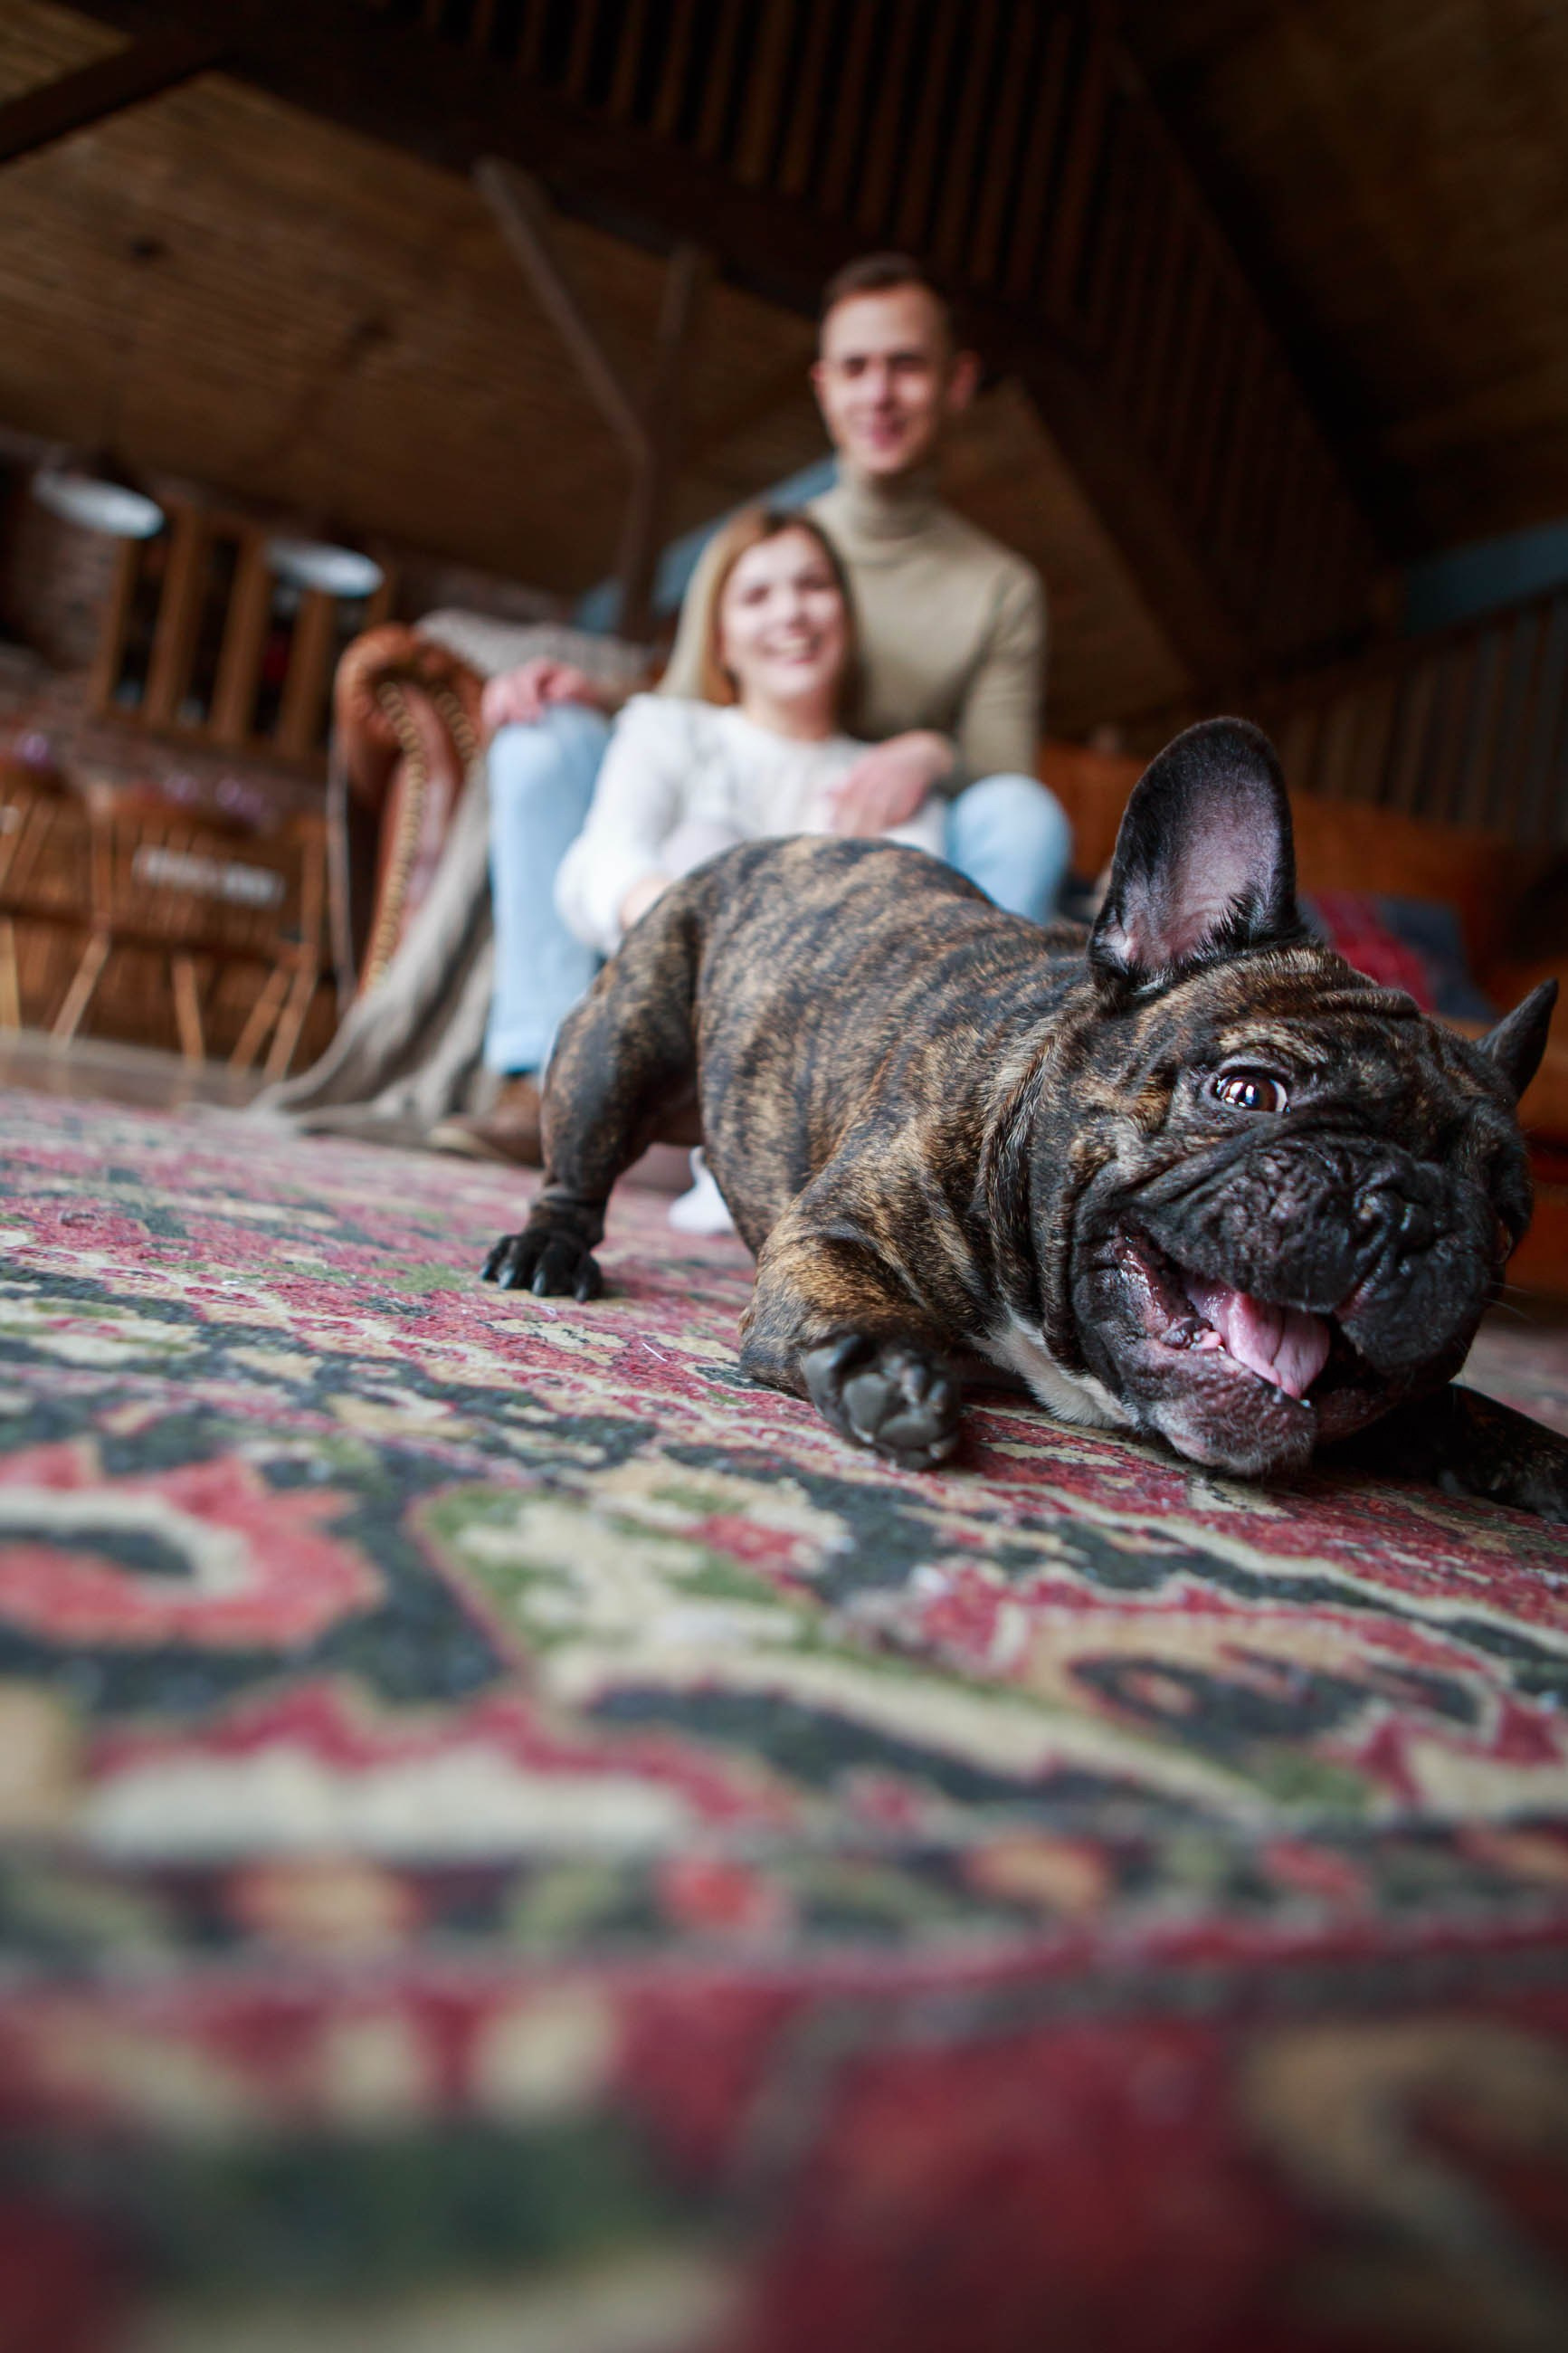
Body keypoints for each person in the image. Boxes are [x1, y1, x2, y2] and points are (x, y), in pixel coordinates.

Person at [440, 252, 1069, 1165]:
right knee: (541, 744)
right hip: (733, 815)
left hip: (874, 820)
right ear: (823, 386)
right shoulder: (770, 540)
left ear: (956, 380)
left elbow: (999, 766)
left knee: (1024, 811)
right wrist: (602, 694)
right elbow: (703, 701)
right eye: (855, 367)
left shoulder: (998, 586)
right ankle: (536, 1071)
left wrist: (926, 750)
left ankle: (954, 1107)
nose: (878, 393)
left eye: (905, 365)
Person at [553, 504, 943, 964]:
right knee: (701, 845)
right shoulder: (667, 728)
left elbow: (904, 932)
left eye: (813, 585)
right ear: (720, 641)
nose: (791, 612)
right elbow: (602, 860)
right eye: (756, 596)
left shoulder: (888, 778)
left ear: (848, 618)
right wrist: (694, 924)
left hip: (822, 1018)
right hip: (677, 991)